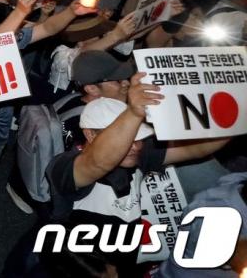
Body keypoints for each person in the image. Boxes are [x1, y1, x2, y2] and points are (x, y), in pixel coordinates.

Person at [43, 83, 230, 275]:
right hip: (87, 265)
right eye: (127, 139)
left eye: (138, 137)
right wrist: (133, 112)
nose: (136, 146)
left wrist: (234, 118)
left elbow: (197, 148)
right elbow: (98, 163)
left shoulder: (134, 156)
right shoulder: (65, 167)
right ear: (90, 134)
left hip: (126, 255)